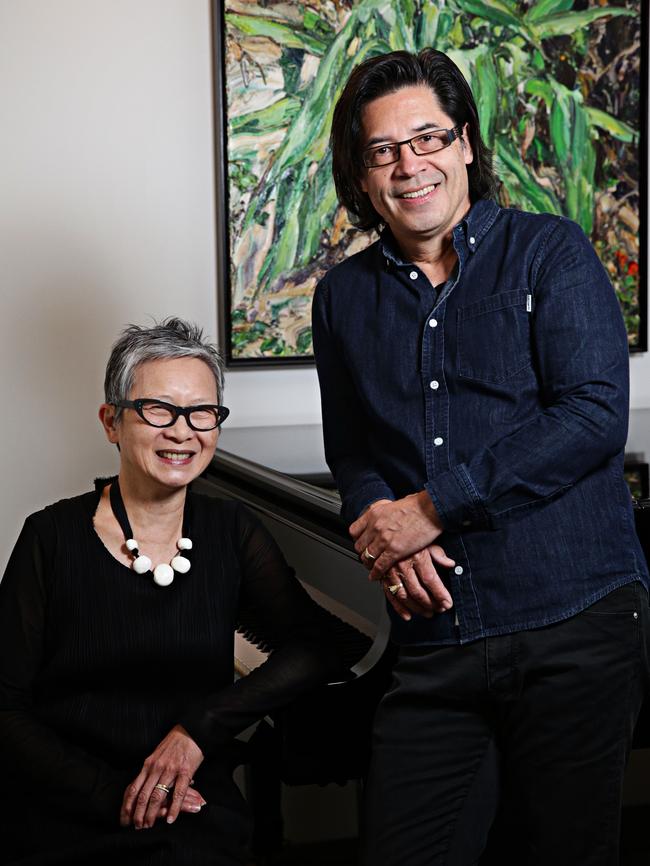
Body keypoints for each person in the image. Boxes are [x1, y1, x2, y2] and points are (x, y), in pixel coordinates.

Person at [311, 48, 650, 866]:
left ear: (465, 143)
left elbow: (595, 416)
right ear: (360, 176)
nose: (408, 165)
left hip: (573, 622)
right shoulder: (343, 297)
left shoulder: (551, 252)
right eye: (382, 150)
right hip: (437, 640)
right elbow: (354, 453)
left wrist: (427, 511)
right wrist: (381, 535)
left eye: (427, 138)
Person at [0, 317, 344, 865]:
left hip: (192, 802)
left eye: (201, 413)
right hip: (67, 807)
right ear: (112, 422)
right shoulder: (51, 538)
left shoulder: (232, 531)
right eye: (158, 410)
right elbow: (6, 710)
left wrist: (200, 729)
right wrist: (113, 795)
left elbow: (315, 645)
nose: (183, 432)